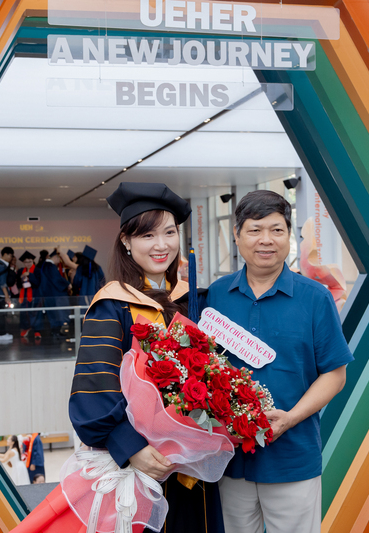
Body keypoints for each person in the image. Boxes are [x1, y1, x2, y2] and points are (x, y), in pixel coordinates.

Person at [68, 182, 222, 533]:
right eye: (147, 235)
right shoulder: (112, 306)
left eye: (169, 233)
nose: (161, 245)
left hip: (194, 466)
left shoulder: (194, 300)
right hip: (141, 466)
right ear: (126, 241)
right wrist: (130, 447)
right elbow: (95, 387)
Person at [206, 190, 353, 533]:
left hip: (292, 458)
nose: (266, 240)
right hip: (229, 459)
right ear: (237, 235)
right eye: (255, 230)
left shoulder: (315, 297)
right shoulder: (216, 294)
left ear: (288, 236)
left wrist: (289, 419)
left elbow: (335, 375)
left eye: (277, 230)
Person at [38, 250, 72, 338]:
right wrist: (67, 284)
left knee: (53, 315)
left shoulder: (45, 265)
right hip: (54, 295)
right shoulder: (50, 266)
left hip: (49, 295)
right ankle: (58, 333)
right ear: (55, 257)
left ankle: (55, 332)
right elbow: (56, 279)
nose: (59, 262)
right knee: (57, 315)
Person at [0, 246, 14, 342]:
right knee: (1, 315)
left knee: (1, 314)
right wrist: (7, 296)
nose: (11, 258)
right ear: (5, 254)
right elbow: (2, 283)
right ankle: (1, 334)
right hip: (1, 294)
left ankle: (1, 333)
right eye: (10, 255)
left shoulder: (0, 265)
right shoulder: (1, 267)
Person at [17, 251, 38, 338]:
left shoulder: (37, 270)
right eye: (26, 262)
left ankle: (37, 330)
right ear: (23, 262)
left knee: (36, 313)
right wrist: (21, 279)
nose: (28, 263)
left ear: (33, 261)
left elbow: (38, 283)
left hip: (35, 294)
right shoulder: (21, 271)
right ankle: (26, 328)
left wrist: (30, 275)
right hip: (24, 294)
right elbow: (18, 284)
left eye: (30, 261)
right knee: (24, 312)